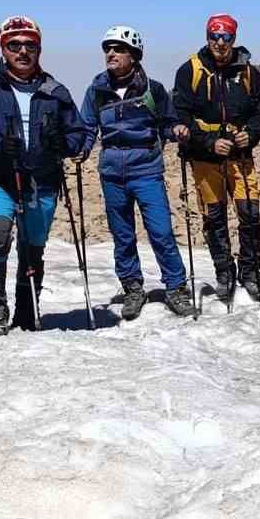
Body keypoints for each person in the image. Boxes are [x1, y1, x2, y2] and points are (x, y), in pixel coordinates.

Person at [0, 17, 85, 335]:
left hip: (42, 181)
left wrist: (63, 144)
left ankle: (27, 311)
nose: (23, 51)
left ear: (39, 48)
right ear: (3, 49)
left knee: (32, 249)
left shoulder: (56, 92)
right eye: (14, 45)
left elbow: (78, 135)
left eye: (30, 45)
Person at [77, 25, 195, 320]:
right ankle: (132, 287)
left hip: (146, 168)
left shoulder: (152, 90)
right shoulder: (96, 91)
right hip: (112, 171)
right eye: (108, 49)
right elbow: (88, 127)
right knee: (123, 234)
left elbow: (167, 122)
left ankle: (176, 287)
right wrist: (82, 148)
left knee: (160, 231)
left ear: (134, 55)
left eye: (119, 49)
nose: (111, 54)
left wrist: (176, 130)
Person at [173, 13, 260, 304]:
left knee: (250, 215)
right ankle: (224, 273)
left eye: (226, 37)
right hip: (205, 159)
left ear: (234, 39)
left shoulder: (249, 73)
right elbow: (181, 115)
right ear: (207, 37)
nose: (220, 42)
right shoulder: (190, 70)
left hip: (241, 158)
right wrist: (210, 143)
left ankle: (250, 272)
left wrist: (249, 136)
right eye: (214, 36)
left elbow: (259, 113)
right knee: (214, 218)